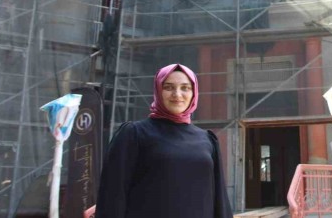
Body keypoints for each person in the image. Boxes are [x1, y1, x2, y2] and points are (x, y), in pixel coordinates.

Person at [95, 63, 233, 218]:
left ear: (194, 92)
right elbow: (113, 195)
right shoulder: (134, 134)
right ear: (158, 90)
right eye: (168, 87)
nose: (177, 94)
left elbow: (219, 199)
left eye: (185, 88)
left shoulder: (207, 139)